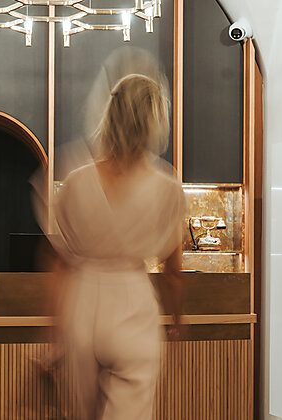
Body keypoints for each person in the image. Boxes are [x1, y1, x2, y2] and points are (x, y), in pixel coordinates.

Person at [39, 73, 185, 420]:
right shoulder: (166, 187)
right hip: (133, 306)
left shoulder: (76, 180)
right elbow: (172, 271)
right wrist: (178, 317)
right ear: (154, 121)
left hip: (83, 308)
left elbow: (59, 264)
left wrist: (55, 336)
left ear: (108, 115)